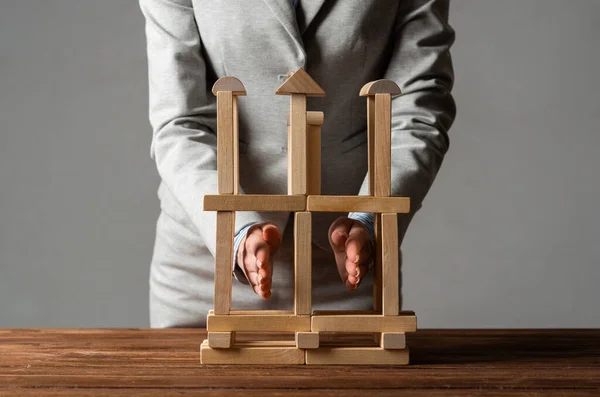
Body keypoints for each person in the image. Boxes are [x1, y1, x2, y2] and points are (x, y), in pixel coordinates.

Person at [139, 0, 456, 328]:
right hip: (205, 262)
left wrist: (372, 217)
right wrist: (233, 230)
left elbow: (418, 104)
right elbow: (180, 120)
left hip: (349, 260)